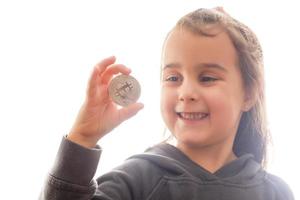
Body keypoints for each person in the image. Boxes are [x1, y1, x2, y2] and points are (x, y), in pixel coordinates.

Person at [40, 7, 294, 200]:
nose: (186, 92)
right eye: (173, 78)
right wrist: (83, 136)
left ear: (249, 94)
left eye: (207, 78)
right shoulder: (136, 179)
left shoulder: (275, 192)